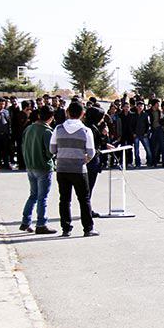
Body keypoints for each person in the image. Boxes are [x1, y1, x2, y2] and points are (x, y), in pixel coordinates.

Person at [49, 101, 98, 237]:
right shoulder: (86, 131)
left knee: (64, 199)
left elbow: (52, 149)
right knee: (84, 199)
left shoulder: (58, 129)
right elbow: (91, 152)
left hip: (62, 168)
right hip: (79, 169)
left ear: (67, 113)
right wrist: (84, 160)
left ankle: (66, 228)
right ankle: (88, 228)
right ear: (83, 114)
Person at [20, 105, 57, 234]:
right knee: (43, 197)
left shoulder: (29, 128)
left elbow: (23, 146)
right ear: (51, 118)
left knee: (33, 195)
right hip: (43, 166)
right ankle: (41, 224)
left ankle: (26, 221)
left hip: (30, 165)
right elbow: (50, 152)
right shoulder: (47, 132)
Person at [133, 101, 151, 168]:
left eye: (141, 106)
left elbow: (148, 125)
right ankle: (138, 163)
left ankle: (149, 162)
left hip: (144, 135)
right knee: (136, 150)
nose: (140, 107)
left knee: (148, 149)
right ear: (136, 107)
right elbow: (131, 125)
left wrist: (147, 133)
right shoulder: (134, 115)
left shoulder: (146, 115)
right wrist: (133, 133)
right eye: (139, 106)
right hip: (136, 135)